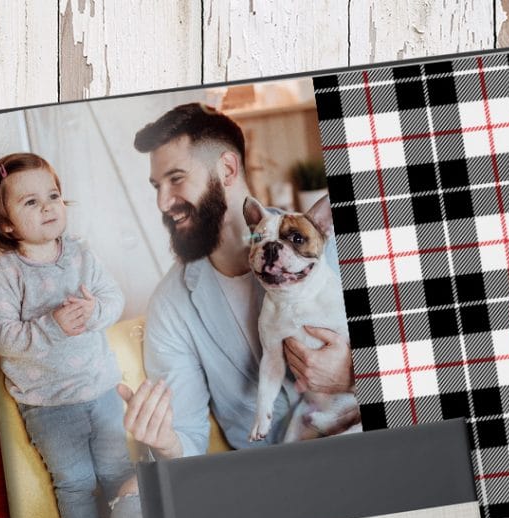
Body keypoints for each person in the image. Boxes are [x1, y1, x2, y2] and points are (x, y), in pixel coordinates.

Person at [118, 102, 358, 459]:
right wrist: (165, 442)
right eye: (157, 186)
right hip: (279, 474)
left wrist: (352, 371)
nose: (163, 202)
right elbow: (186, 441)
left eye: (176, 179)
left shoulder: (334, 243)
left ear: (227, 168)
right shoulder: (170, 307)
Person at [0, 151, 143, 518]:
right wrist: (51, 327)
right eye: (30, 202)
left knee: (116, 469)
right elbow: (0, 336)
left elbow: (114, 298)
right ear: (7, 223)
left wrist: (96, 312)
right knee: (74, 480)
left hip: (101, 388)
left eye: (52, 195)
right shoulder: (8, 273)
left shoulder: (81, 255)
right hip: (49, 403)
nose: (48, 206)